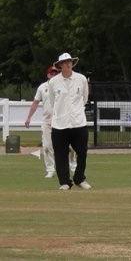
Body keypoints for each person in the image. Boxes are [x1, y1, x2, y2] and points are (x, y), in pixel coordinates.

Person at [46, 52, 90, 190]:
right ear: (60, 65)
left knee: (82, 152)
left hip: (78, 122)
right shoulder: (53, 82)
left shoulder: (81, 79)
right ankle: (65, 182)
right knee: (60, 154)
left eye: (69, 61)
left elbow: (85, 98)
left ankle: (79, 178)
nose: (68, 64)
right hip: (60, 124)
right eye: (65, 62)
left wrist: (76, 112)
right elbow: (53, 101)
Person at [23, 66, 75, 178]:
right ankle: (50, 170)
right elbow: (36, 102)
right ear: (48, 75)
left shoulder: (64, 85)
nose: (54, 75)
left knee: (69, 147)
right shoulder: (42, 87)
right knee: (47, 146)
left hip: (62, 121)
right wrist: (28, 118)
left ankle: (73, 167)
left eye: (56, 73)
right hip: (47, 121)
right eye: (52, 73)